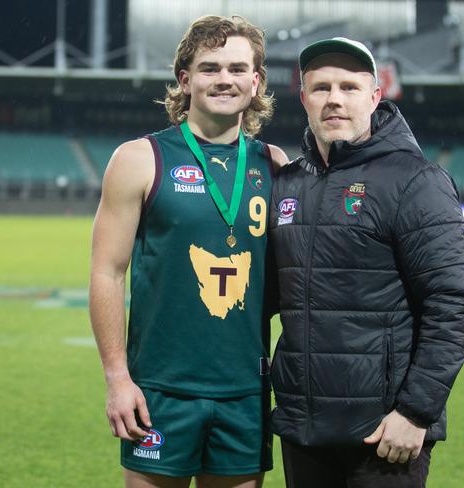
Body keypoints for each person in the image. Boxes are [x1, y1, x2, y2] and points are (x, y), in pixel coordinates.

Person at [89, 15, 288, 488]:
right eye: (210, 68)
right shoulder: (138, 159)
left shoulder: (277, 166)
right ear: (185, 79)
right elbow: (107, 273)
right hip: (159, 391)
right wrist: (117, 378)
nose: (225, 79)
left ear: (256, 80)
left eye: (238, 69)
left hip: (246, 392)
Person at [268, 37, 464, 487]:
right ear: (303, 98)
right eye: (321, 88)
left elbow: (451, 306)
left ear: (375, 96)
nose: (335, 99)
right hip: (304, 427)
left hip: (384, 432)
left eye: (349, 87)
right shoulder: (288, 183)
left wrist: (415, 412)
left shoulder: (416, 180)